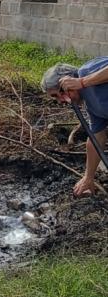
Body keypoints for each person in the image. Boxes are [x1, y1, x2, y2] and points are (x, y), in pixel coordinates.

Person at [42, 59, 108, 197]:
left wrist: (82, 82)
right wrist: (88, 177)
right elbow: (97, 138)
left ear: (66, 83)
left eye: (56, 95)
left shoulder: (86, 71)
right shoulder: (93, 106)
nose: (60, 101)